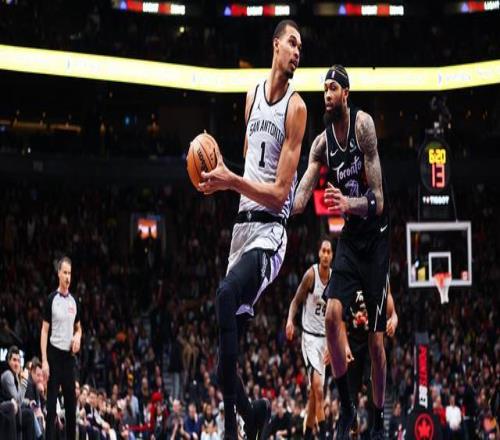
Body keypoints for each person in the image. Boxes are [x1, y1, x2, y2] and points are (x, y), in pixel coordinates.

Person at [198, 19, 307, 440]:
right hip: (241, 232)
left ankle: (232, 427)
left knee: (225, 294)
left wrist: (231, 181)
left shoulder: (296, 109)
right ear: (275, 45)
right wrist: (219, 176)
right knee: (223, 368)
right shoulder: (251, 98)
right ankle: (254, 413)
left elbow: (279, 194)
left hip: (270, 234)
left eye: (301, 47)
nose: (297, 52)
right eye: (292, 43)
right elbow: (247, 168)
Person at [292, 64, 389, 439]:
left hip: (375, 239)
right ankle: (348, 407)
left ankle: (377, 420)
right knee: (332, 315)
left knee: (377, 344)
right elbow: (301, 195)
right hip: (350, 239)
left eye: (333, 88)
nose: (327, 95)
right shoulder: (321, 144)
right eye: (324, 90)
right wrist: (277, 202)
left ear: (346, 94)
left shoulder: (363, 126)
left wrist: (348, 203)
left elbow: (378, 201)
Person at [285, 239, 333, 439]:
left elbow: (337, 315)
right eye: (323, 251)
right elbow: (296, 301)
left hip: (326, 340)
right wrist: (290, 320)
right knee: (319, 390)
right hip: (310, 339)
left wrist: (333, 344)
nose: (325, 255)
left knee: (314, 394)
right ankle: (324, 436)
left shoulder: (335, 279)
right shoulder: (310, 275)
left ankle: (307, 435)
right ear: (318, 253)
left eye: (329, 252)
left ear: (332, 256)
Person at [41, 256, 82, 440]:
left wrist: (78, 337)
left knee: (71, 408)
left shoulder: (74, 301)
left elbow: (79, 328)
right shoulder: (51, 299)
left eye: (70, 273)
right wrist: (44, 360)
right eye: (64, 272)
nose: (67, 277)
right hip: (53, 356)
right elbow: (44, 331)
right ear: (58, 273)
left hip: (68, 358)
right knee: (51, 408)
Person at [0, 345, 36, 439]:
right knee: (28, 414)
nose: (17, 364)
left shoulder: (15, 376)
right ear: (9, 361)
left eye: (19, 361)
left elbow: (19, 398)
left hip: (13, 409)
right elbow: (17, 400)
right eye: (14, 360)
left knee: (29, 413)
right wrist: (24, 381)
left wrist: (28, 402)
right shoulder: (8, 375)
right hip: (6, 409)